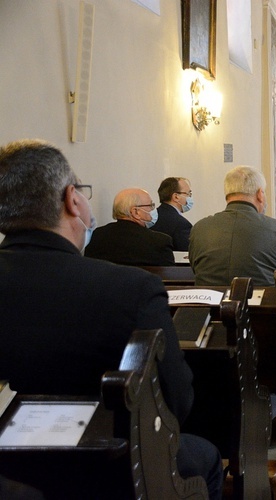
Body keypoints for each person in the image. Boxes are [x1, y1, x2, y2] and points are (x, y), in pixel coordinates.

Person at [0, 139, 223, 499]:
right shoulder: (130, 289)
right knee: (206, 458)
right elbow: (175, 401)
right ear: (72, 200)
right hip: (110, 471)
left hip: (10, 475)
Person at [189, 165, 276, 287]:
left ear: (227, 194)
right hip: (261, 303)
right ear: (259, 194)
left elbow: (196, 269)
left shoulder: (200, 228)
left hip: (208, 303)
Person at [85, 187, 175, 266]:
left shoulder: (96, 236)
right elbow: (170, 277)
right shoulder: (160, 242)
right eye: (150, 205)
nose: (153, 209)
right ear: (136, 212)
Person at [151, 176, 193, 251]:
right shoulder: (181, 224)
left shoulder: (151, 217)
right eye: (188, 194)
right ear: (176, 197)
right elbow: (186, 255)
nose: (190, 197)